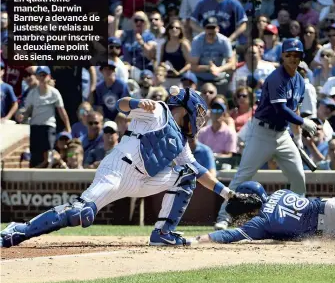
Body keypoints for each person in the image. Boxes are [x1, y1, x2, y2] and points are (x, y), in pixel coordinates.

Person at [1, 87, 249, 248]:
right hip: (118, 170)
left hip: (143, 180)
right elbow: (121, 104)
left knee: (186, 175)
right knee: (80, 214)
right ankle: (19, 230)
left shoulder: (183, 142)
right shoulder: (159, 111)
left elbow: (198, 170)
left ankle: (163, 234)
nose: (201, 118)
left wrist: (229, 195)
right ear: (187, 109)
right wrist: (138, 102)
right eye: (199, 112)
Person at [213, 38, 318, 230]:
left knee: (298, 177)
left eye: (297, 55)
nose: (293, 58)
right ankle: (224, 217)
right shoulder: (276, 77)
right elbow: (281, 109)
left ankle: (300, 221)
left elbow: (294, 111)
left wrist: (298, 138)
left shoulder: (300, 82)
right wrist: (303, 122)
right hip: (262, 132)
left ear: (301, 57)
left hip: (283, 134)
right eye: (289, 54)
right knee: (243, 176)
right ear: (282, 56)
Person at [190, 181, 335, 244]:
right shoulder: (280, 192)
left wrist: (200, 239)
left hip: (328, 233)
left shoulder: (260, 223)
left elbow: (230, 235)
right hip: (330, 208)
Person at [16, 66, 71, 168]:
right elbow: (27, 111)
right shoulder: (32, 93)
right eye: (40, 75)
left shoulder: (54, 93)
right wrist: (22, 116)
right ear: (36, 77)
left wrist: (68, 127)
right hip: (35, 126)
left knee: (48, 153)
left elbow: (61, 111)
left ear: (49, 76)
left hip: (48, 127)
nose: (42, 77)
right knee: (35, 154)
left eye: (44, 75)